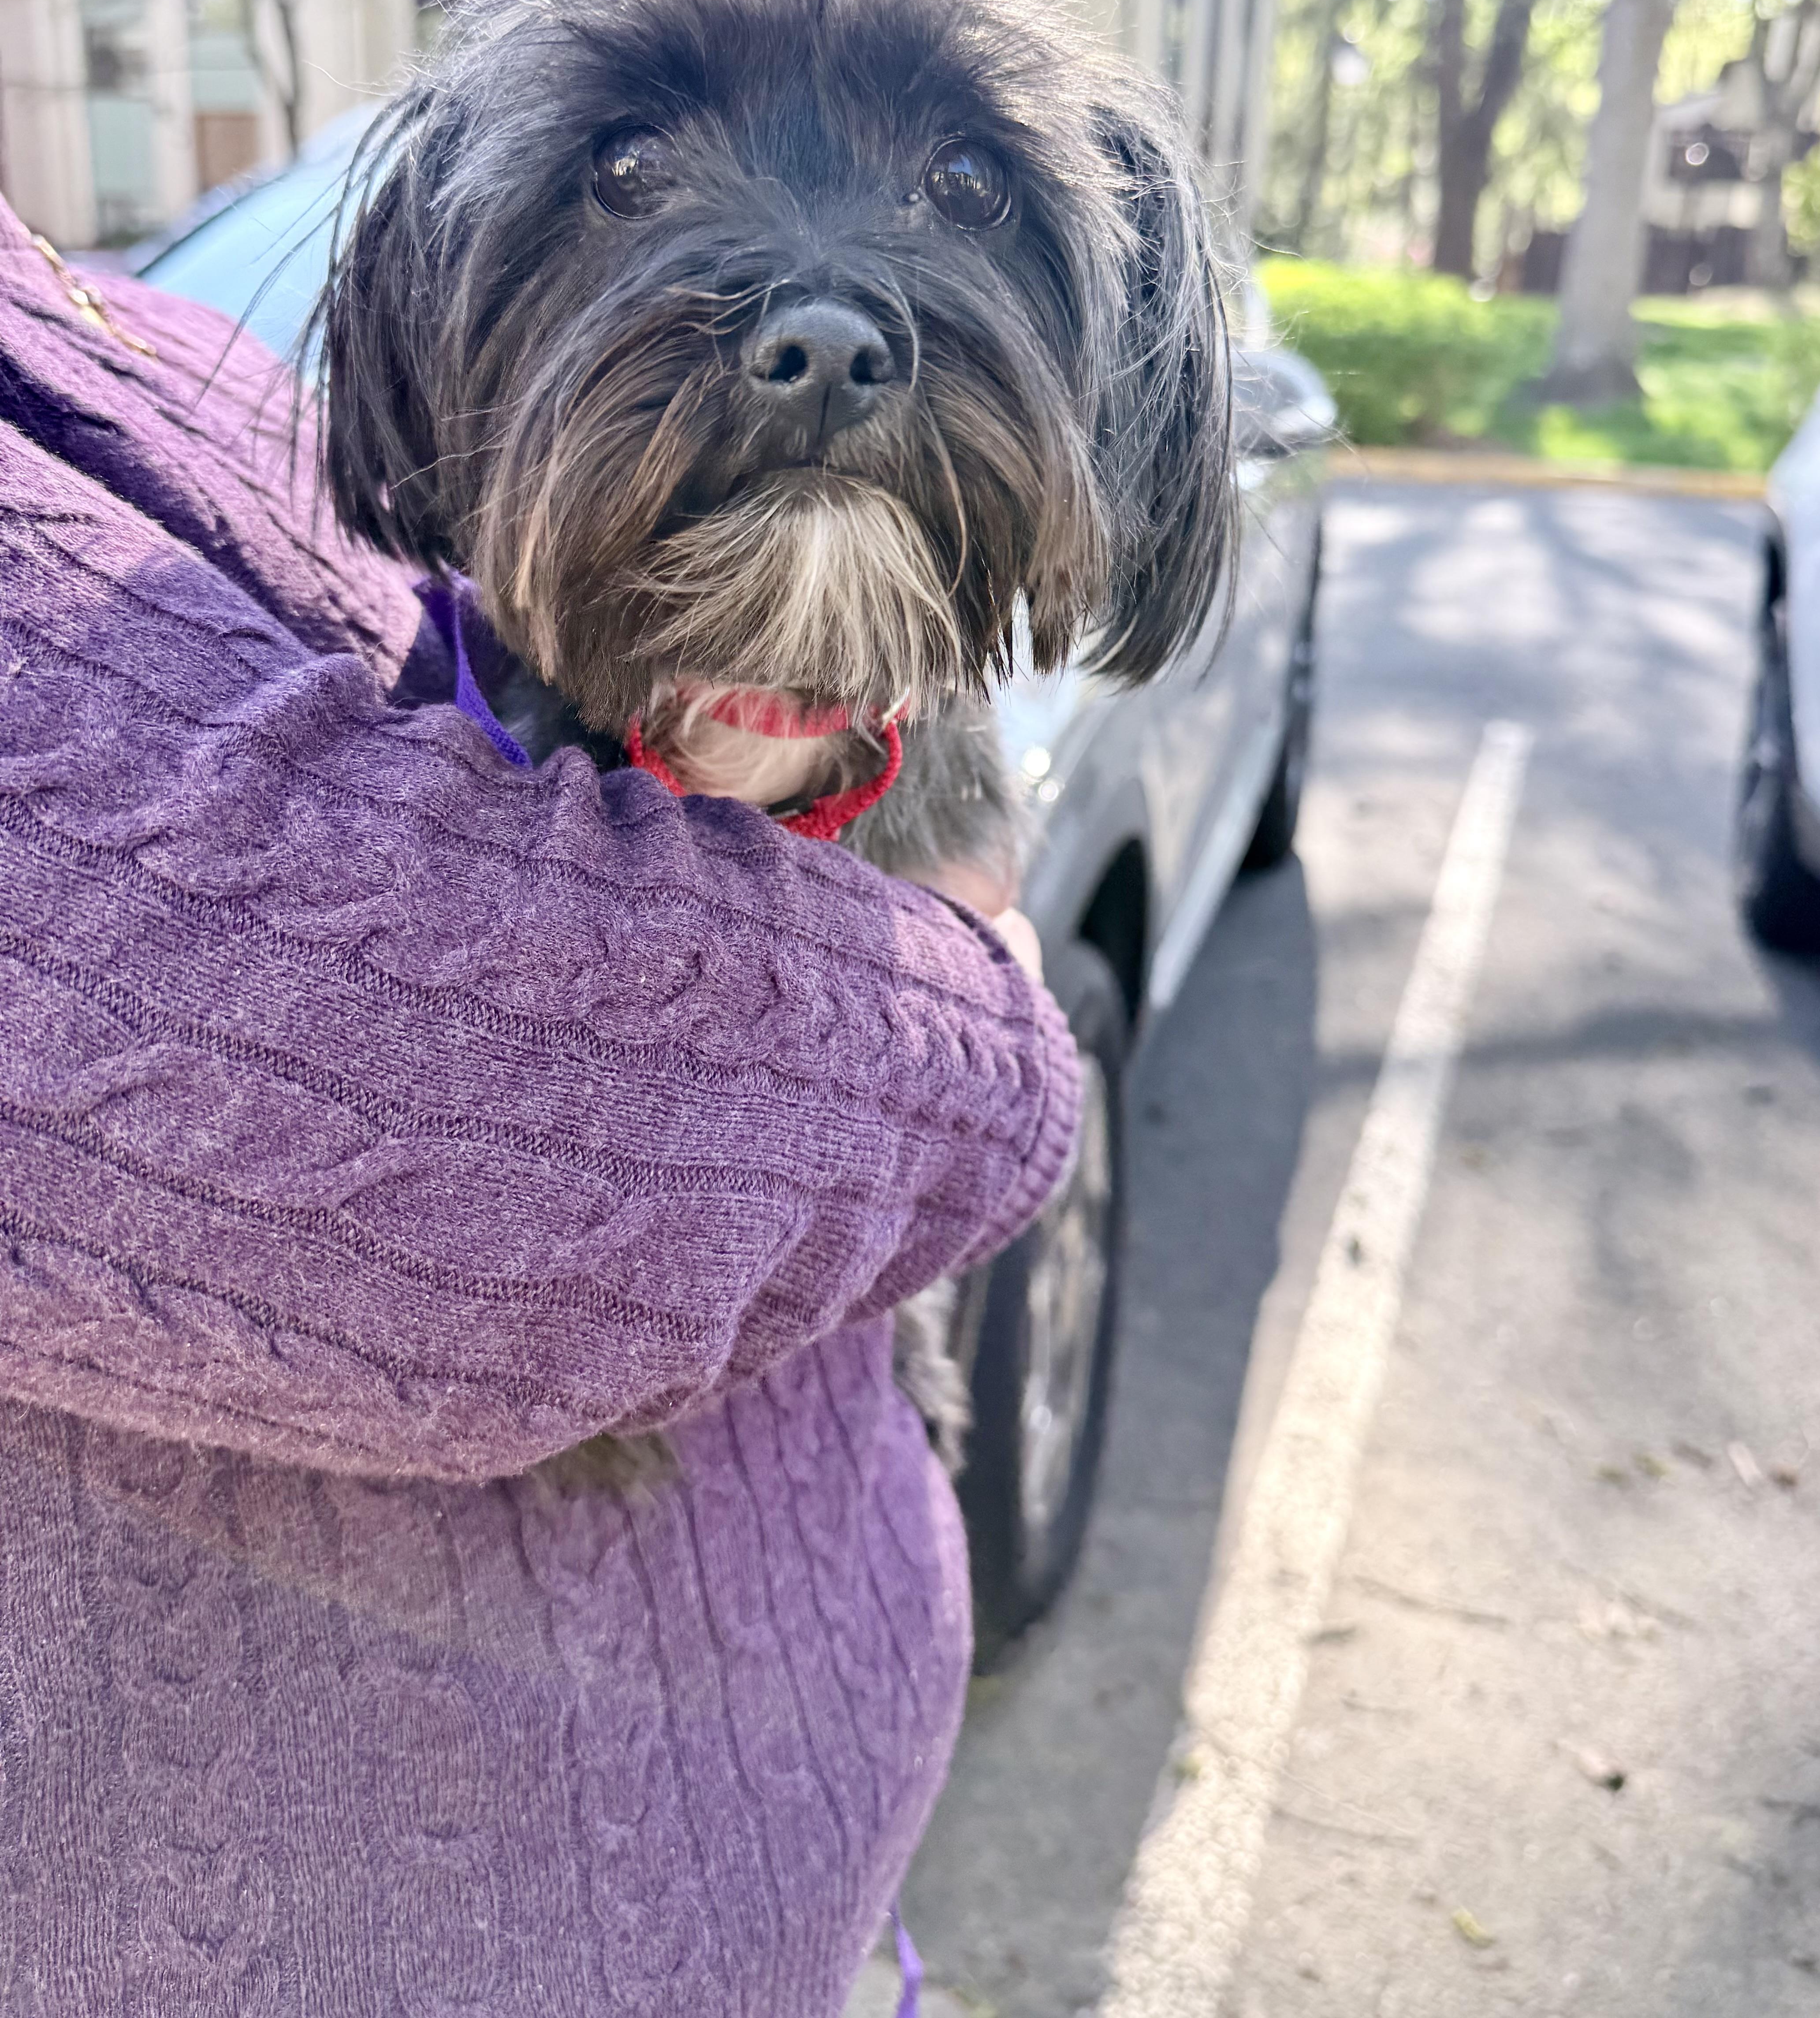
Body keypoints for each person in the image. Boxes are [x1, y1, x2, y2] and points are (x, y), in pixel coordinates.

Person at [0, 197, 1079, 2014]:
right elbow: (460, 1155)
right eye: (629, 179)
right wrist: (992, 1035)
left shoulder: (116, 328)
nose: (822, 325)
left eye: (963, 200)